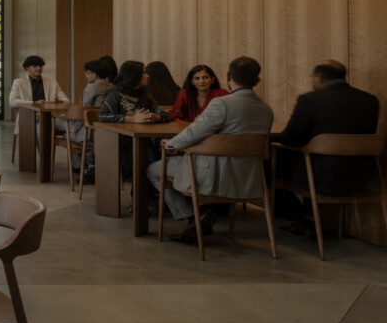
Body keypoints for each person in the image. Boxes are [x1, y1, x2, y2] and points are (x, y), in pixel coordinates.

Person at [151, 56, 273, 243]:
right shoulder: (266, 110)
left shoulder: (221, 103)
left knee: (152, 169)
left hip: (214, 176)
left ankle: (192, 217)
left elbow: (193, 134)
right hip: (247, 178)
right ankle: (204, 216)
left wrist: (170, 145)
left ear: (228, 76)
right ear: (257, 81)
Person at [275, 60, 381, 237]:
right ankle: (306, 218)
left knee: (274, 158)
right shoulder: (370, 100)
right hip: (365, 177)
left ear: (320, 77)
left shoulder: (310, 100)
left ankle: (299, 215)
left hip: (322, 175)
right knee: (316, 159)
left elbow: (288, 138)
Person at [98, 61, 171, 179]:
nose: (148, 75)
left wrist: (155, 117)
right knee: (146, 155)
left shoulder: (145, 96)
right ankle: (145, 190)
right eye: (144, 72)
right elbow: (103, 116)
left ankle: (149, 190)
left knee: (150, 153)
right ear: (133, 75)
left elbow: (164, 115)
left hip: (142, 141)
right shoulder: (115, 94)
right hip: (118, 141)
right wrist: (132, 119)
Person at [9, 55, 67, 150]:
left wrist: (59, 101)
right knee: (41, 129)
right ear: (27, 68)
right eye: (35, 66)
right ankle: (45, 160)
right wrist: (34, 102)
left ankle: (79, 161)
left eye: (40, 66)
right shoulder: (18, 82)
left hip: (51, 118)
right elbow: (12, 102)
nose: (39, 68)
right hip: (30, 118)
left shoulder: (51, 82)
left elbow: (66, 100)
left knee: (75, 127)